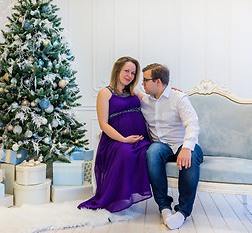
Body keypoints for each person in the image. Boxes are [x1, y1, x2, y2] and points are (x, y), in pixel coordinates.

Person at [78, 56, 152, 213]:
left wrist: (171, 94)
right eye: (127, 71)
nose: (129, 75)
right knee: (125, 153)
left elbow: (155, 103)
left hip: (138, 140)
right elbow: (103, 124)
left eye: (133, 73)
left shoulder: (134, 92)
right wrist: (124, 139)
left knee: (148, 153)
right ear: (118, 70)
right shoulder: (105, 93)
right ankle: (115, 197)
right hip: (115, 141)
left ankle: (131, 193)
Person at [136, 63, 203, 230]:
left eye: (145, 80)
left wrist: (187, 148)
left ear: (158, 81)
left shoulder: (178, 98)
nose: (142, 84)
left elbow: (192, 123)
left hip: (183, 144)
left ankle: (183, 212)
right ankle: (164, 207)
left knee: (191, 156)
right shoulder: (146, 101)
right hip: (163, 146)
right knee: (152, 152)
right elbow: (132, 91)